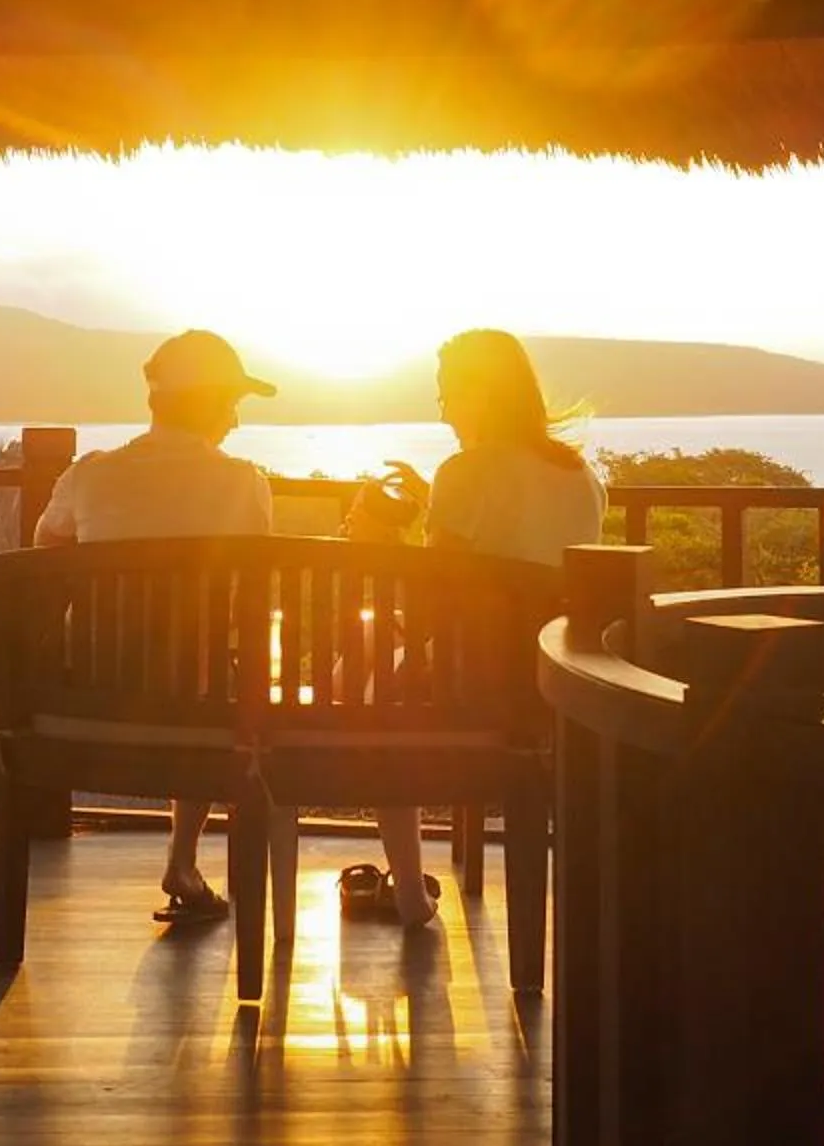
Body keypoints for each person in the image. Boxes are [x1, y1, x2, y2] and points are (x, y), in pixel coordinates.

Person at [340, 328, 605, 931]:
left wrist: (379, 545)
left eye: (447, 393)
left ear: (478, 395)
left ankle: (407, 886)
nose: (441, 409)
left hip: (469, 683)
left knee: (373, 680)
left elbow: (435, 600)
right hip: (554, 687)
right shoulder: (582, 478)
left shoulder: (466, 471)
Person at [34, 328, 277, 926]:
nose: (237, 423)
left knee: (190, 668)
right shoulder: (242, 483)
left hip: (88, 695)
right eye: (234, 406)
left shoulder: (91, 474)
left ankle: (183, 867)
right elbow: (256, 592)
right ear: (218, 405)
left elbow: (43, 555)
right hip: (196, 701)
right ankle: (183, 860)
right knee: (204, 671)